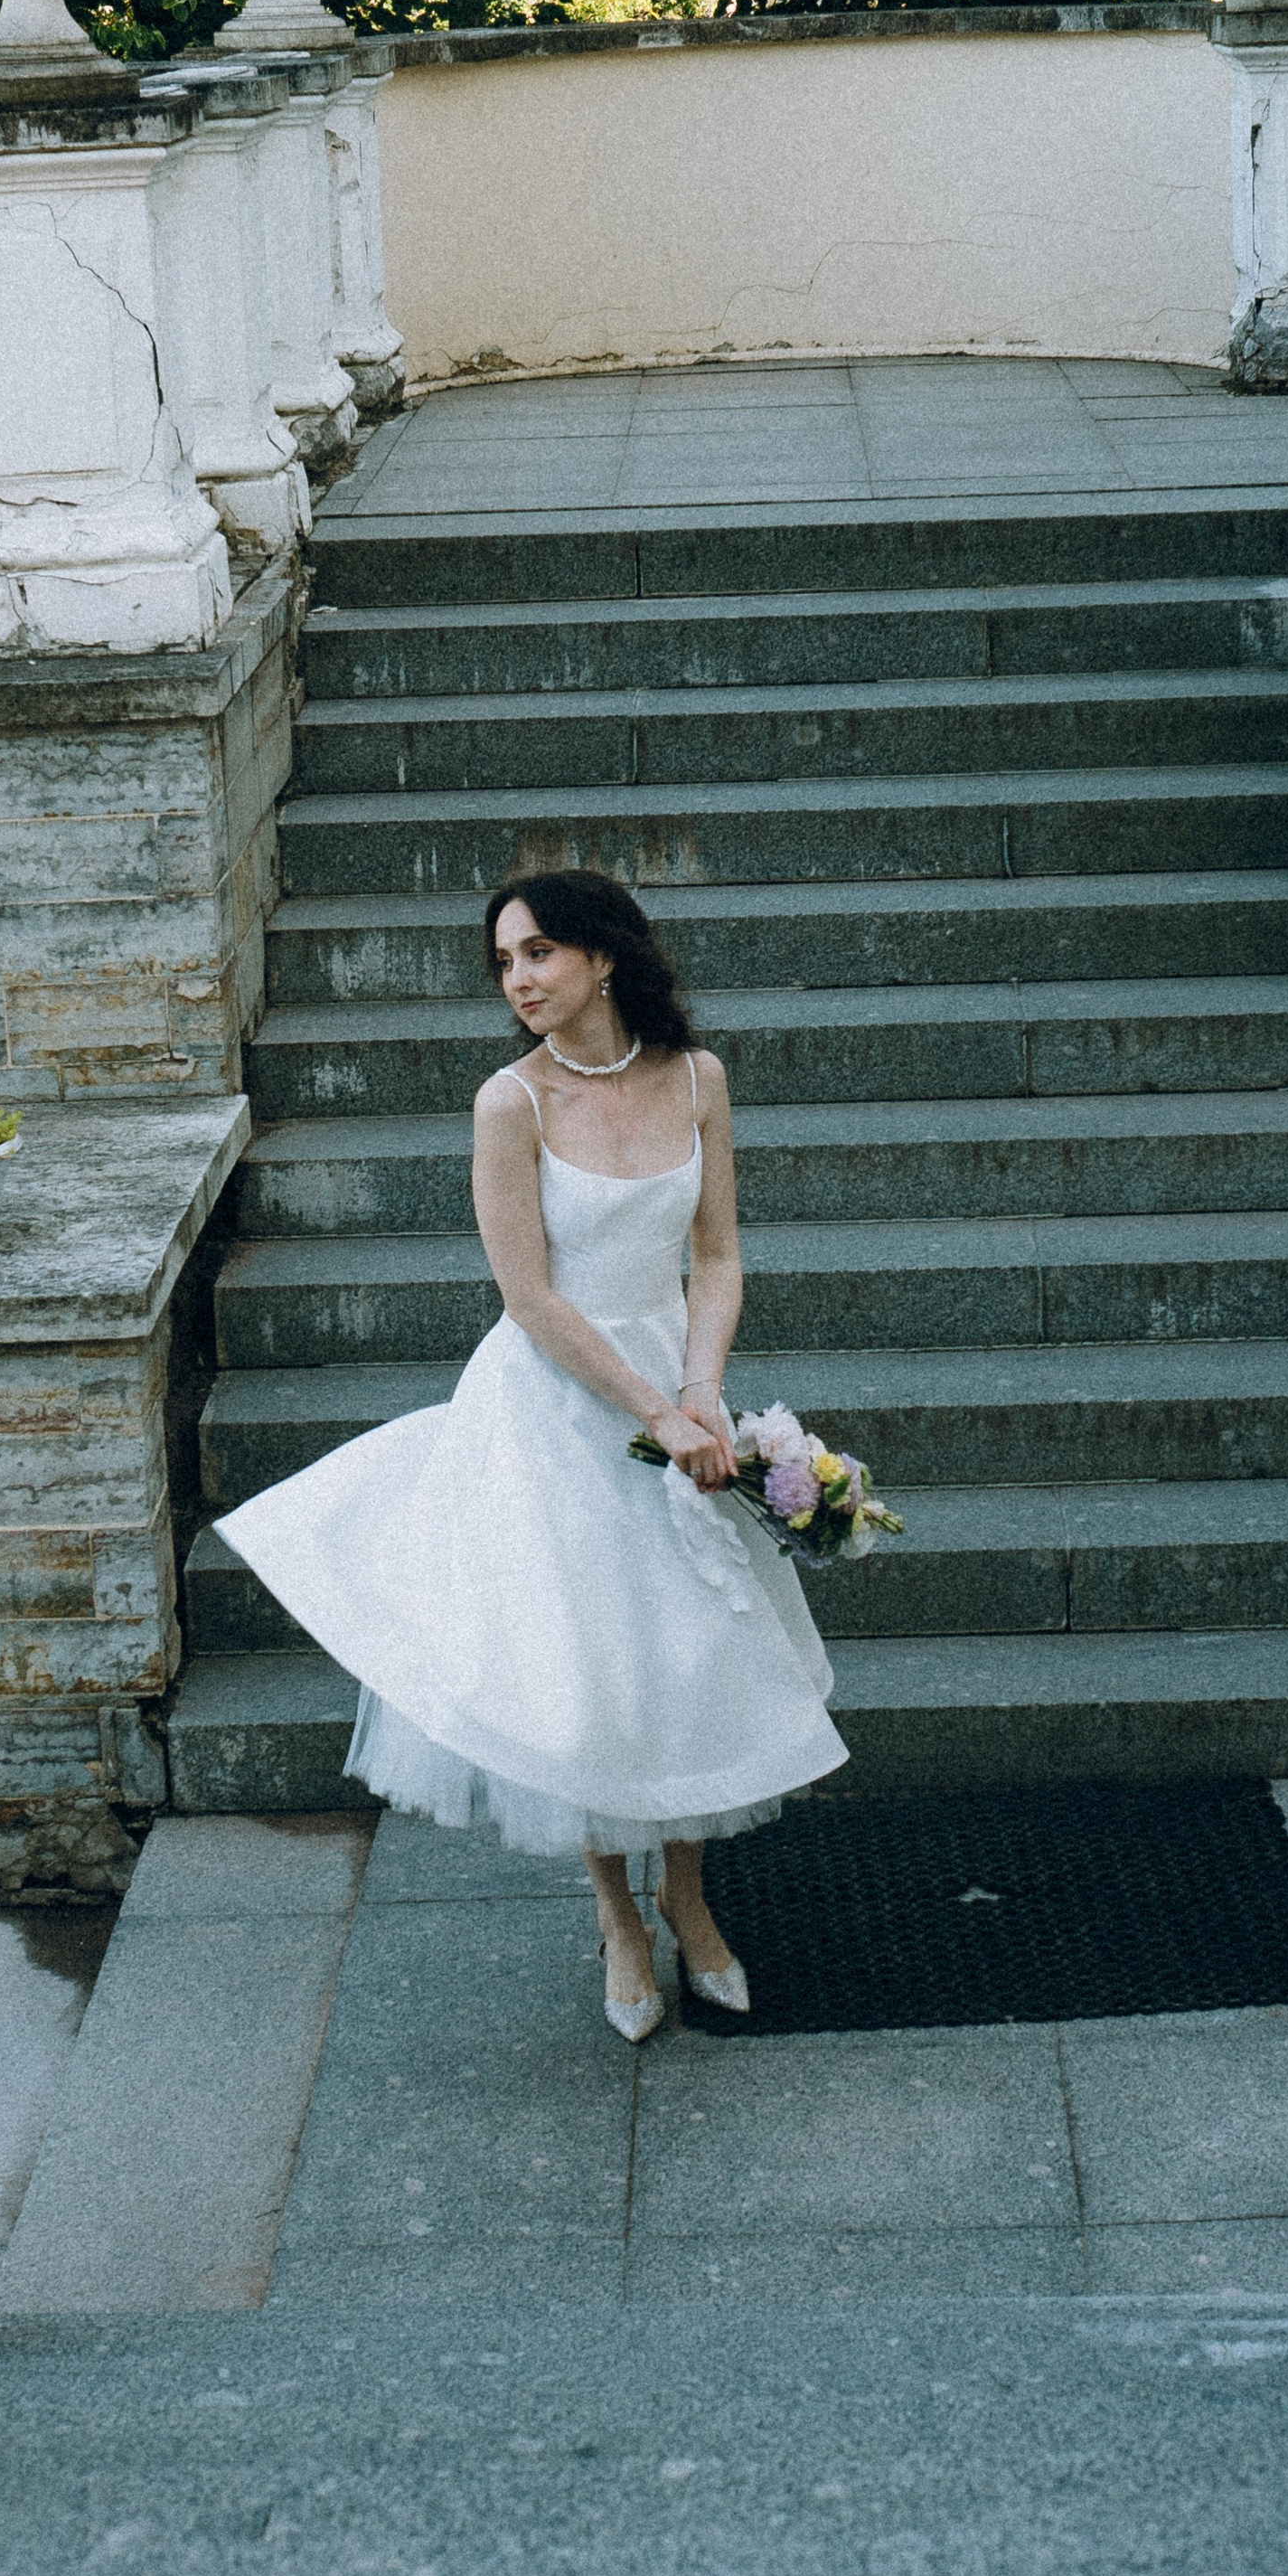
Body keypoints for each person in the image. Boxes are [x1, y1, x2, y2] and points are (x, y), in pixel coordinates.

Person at [216, 866, 848, 2041]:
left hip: (676, 1381)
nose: (520, 979)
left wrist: (700, 1390)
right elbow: (531, 1296)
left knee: (692, 1657)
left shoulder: (698, 1081)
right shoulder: (511, 1105)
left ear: (606, 957)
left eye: (542, 952)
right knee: (585, 1680)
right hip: (556, 1406)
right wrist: (651, 1415)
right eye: (506, 962)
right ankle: (619, 1919)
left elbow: (715, 1255)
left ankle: (690, 1902)